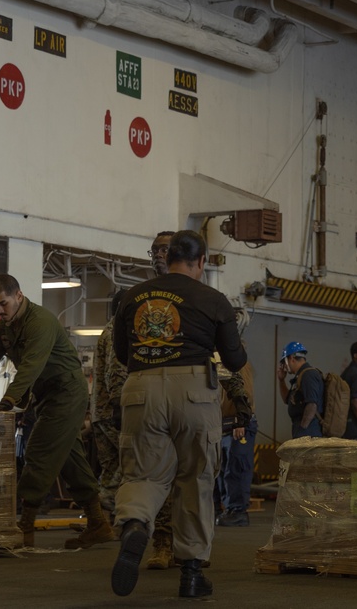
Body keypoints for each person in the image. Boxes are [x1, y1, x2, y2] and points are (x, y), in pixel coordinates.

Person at [110, 230, 248, 599]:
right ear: (201, 261)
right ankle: (191, 575)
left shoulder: (133, 297)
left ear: (167, 257)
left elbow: (122, 354)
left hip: (141, 389)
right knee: (195, 479)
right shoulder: (213, 298)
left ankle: (136, 524)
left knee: (143, 473)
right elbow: (234, 360)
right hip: (193, 392)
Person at [0, 274, 113, 551]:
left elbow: (31, 366)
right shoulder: (6, 328)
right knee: (69, 458)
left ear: (18, 296)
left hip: (66, 392)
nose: (0, 310)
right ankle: (98, 523)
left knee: (38, 450)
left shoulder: (40, 322)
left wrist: (9, 399)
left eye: (3, 303)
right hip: (46, 395)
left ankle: (25, 526)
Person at [145, 230, 179, 571]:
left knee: (195, 476)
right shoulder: (142, 297)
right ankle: (162, 542)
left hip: (189, 399)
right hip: (151, 400)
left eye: (164, 249)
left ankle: (191, 546)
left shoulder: (197, 297)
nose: (157, 254)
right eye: (154, 249)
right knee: (156, 473)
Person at [91, 289, 128, 515]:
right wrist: (119, 405)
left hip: (100, 413)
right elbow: (115, 372)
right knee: (131, 461)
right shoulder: (118, 331)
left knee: (111, 466)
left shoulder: (107, 330)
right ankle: (104, 500)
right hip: (113, 413)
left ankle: (105, 520)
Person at [215, 363, 256, 527]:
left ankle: (237, 511)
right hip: (224, 425)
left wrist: (241, 419)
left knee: (235, 469)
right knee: (222, 470)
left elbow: (246, 390)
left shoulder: (238, 362)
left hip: (237, 423)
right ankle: (227, 509)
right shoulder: (220, 361)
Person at [277, 341, 323, 439]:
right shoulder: (300, 376)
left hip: (309, 432)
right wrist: (281, 380)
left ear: (291, 358)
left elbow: (312, 404)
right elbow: (287, 400)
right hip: (302, 429)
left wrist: (303, 430)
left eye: (284, 362)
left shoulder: (308, 375)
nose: (284, 366)